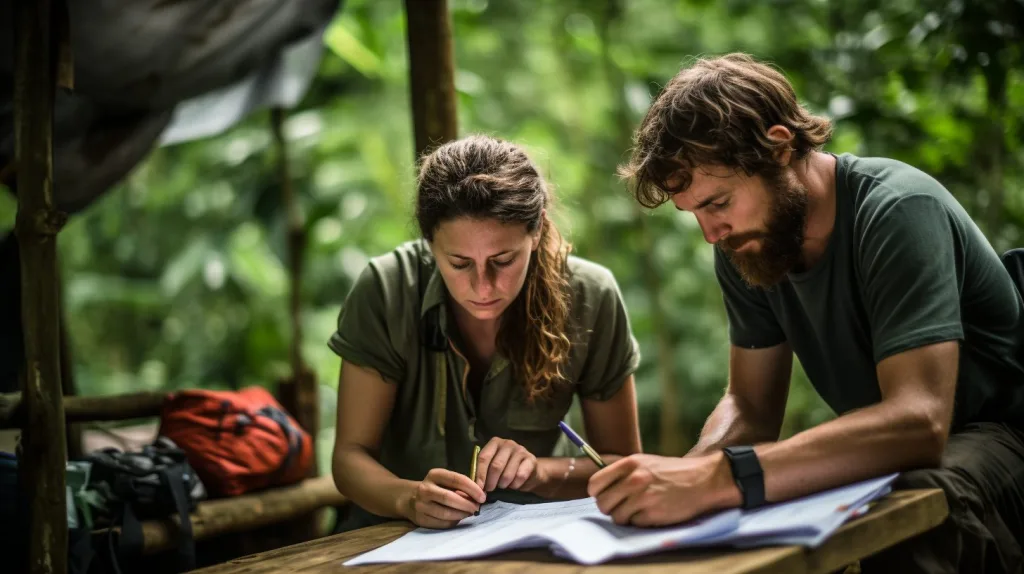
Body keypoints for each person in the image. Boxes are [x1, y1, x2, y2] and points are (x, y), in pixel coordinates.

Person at [589, 53, 1024, 573]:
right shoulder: (748, 245)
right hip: (894, 453)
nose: (710, 232)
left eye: (719, 202)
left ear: (779, 147)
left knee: (916, 503)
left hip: (1000, 435)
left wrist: (720, 478)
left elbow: (920, 421)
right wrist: (681, 475)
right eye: (695, 214)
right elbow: (750, 407)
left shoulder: (896, 211)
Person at [330, 134, 643, 532]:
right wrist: (407, 498)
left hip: (538, 538)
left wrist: (540, 473)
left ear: (537, 231)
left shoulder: (590, 297)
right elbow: (349, 457)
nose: (483, 287)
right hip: (396, 537)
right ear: (429, 242)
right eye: (459, 263)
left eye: (504, 259)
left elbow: (622, 464)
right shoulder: (386, 291)